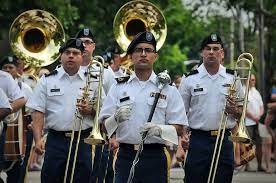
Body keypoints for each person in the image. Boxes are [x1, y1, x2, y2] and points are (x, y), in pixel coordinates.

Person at [99, 31, 188, 183]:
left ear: (155, 56)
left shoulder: (168, 89)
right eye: (139, 50)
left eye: (148, 50)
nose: (143, 54)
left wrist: (160, 129)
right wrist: (115, 118)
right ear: (131, 56)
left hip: (155, 156)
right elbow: (103, 127)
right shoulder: (118, 86)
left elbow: (180, 127)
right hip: (125, 155)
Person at [26, 38, 95, 182]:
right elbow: (38, 111)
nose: (71, 55)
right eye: (67, 52)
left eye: (75, 53)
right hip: (55, 141)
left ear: (82, 56)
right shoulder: (47, 80)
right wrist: (38, 139)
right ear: (61, 56)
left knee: (83, 179)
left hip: (83, 141)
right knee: (51, 178)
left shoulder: (92, 80)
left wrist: (91, 109)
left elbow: (103, 110)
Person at [178, 33, 244, 183]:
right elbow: (181, 114)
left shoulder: (233, 77)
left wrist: (235, 110)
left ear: (222, 53)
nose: (211, 52)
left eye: (216, 48)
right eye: (208, 48)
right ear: (202, 52)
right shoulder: (189, 79)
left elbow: (241, 113)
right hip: (197, 140)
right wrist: (181, 142)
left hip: (224, 140)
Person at [0, 56, 34, 182]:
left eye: (11, 67)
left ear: (17, 70)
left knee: (17, 172)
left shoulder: (25, 88)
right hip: (3, 130)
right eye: (5, 67)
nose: (8, 70)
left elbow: (32, 109)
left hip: (21, 131)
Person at [0, 70, 26, 182]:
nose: (9, 69)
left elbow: (21, 99)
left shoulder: (4, 77)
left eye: (11, 67)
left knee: (14, 169)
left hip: (7, 125)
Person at [75, 28, 115, 94]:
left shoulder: (106, 71)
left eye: (87, 42)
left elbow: (114, 97)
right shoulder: (68, 69)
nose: (84, 45)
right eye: (80, 42)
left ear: (93, 46)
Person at [242, 73, 264, 171]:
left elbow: (261, 106)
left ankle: (260, 165)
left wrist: (259, 115)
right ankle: (247, 166)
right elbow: (243, 108)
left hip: (257, 122)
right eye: (252, 80)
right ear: (246, 80)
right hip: (247, 123)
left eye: (254, 80)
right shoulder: (243, 91)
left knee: (259, 144)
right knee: (247, 145)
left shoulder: (256, 92)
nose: (253, 81)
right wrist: (253, 117)